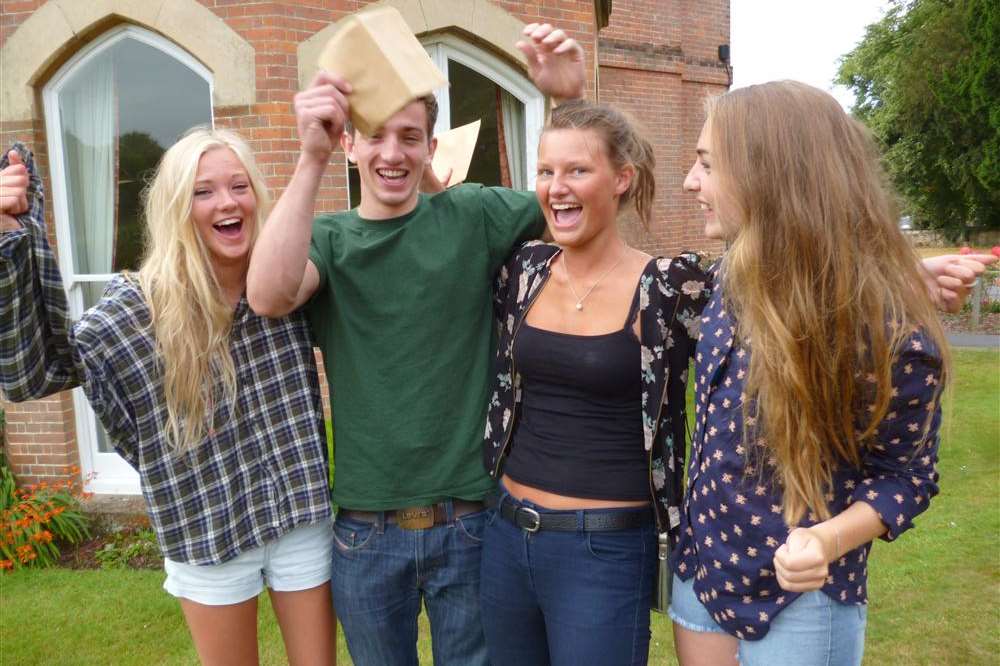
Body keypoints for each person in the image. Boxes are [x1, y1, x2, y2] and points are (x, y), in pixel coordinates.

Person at [245, 23, 586, 666]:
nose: (392, 154)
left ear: (431, 146)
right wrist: (309, 157)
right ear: (350, 143)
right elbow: (267, 295)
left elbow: (579, 199)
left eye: (409, 137)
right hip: (366, 533)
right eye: (375, 135)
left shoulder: (472, 217)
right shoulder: (329, 241)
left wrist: (564, 102)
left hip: (471, 520)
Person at [669, 80, 996, 666]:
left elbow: (906, 478)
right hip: (704, 574)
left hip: (803, 599)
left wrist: (826, 539)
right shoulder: (725, 280)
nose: (691, 183)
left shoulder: (890, 334)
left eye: (707, 165)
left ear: (770, 174)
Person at [0, 130, 334, 666]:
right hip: (205, 523)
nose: (227, 202)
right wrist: (15, 238)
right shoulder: (138, 308)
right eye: (203, 192)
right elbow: (32, 376)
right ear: (176, 207)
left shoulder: (284, 281)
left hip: (299, 512)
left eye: (238, 186)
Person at [478, 99, 710, 666]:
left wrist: (900, 277)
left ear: (622, 179)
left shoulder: (667, 287)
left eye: (577, 171)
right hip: (507, 535)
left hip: (604, 549)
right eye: (546, 171)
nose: (557, 187)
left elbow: (783, 281)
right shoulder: (524, 269)